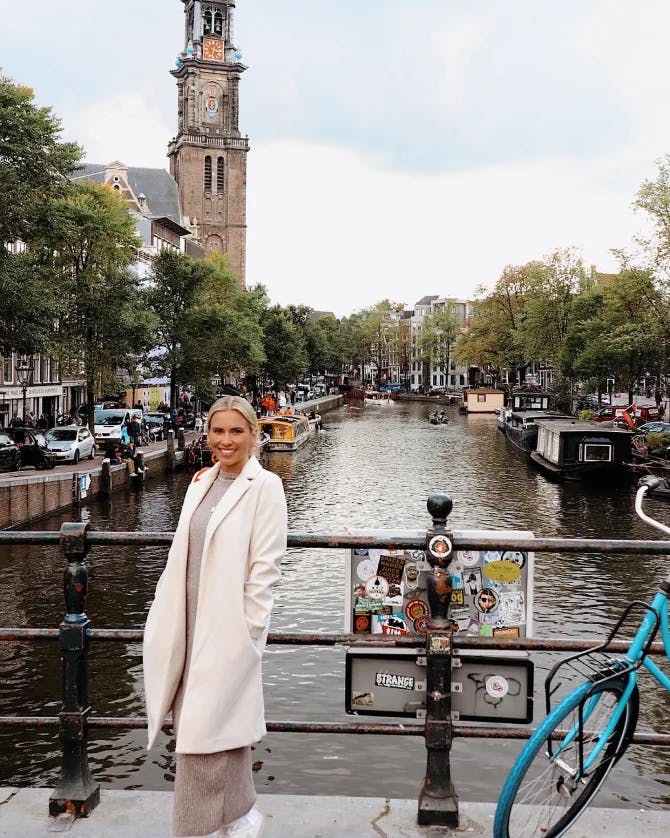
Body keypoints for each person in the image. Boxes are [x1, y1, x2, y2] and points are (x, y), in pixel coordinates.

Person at [143, 396, 288, 838]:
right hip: (186, 622)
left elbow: (266, 566)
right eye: (218, 431)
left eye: (236, 431)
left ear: (253, 436)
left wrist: (248, 629)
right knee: (208, 724)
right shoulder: (202, 481)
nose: (226, 441)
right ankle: (240, 818)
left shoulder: (264, 487)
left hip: (224, 626)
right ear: (207, 435)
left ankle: (198, 828)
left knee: (205, 732)